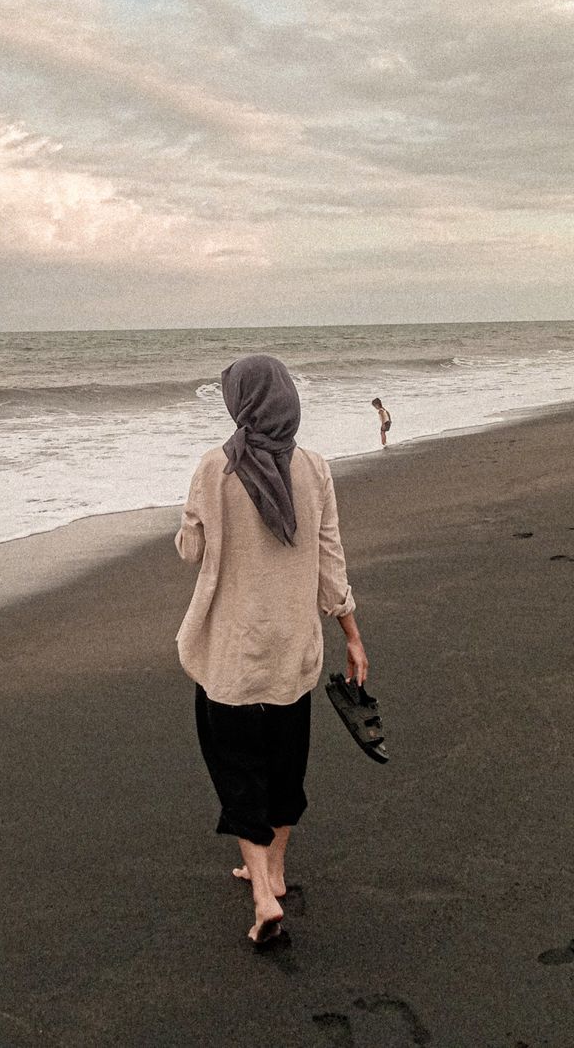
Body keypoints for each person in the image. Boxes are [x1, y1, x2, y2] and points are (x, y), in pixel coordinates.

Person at [175, 354, 368, 945]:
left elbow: (190, 549)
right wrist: (353, 638)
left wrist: (195, 526)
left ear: (241, 403)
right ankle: (277, 872)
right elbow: (329, 563)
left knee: (237, 769)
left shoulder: (216, 468)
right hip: (293, 648)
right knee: (286, 767)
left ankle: (261, 891)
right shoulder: (313, 468)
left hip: (231, 652)